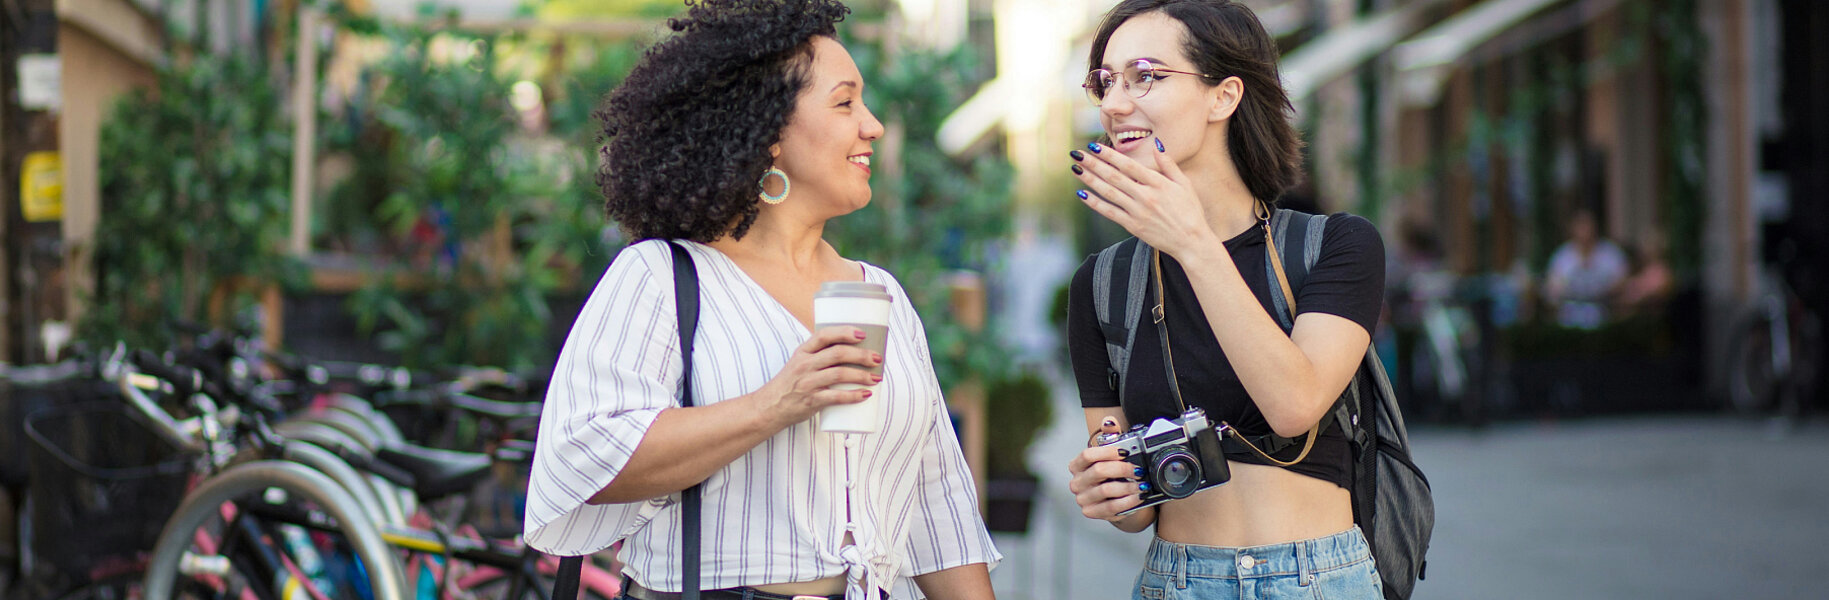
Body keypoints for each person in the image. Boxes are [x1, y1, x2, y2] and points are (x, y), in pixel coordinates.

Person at [521, 2, 999, 599]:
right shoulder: (663, 276)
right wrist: (776, 403)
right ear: (770, 130)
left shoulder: (882, 297)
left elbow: (938, 509)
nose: (872, 125)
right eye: (845, 102)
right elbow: (580, 458)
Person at [1061, 1, 1386, 598]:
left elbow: (1295, 403)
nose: (1113, 103)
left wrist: (1192, 241)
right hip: (1176, 578)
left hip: (1319, 578)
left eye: (1145, 76)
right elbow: (1135, 509)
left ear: (1223, 95)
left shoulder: (1336, 246)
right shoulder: (1103, 283)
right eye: (1104, 83)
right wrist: (1109, 488)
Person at [1543, 209, 1628, 329]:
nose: (1584, 231)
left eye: (1587, 225)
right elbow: (1552, 285)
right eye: (1580, 226)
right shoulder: (1562, 256)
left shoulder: (1610, 253)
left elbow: (1622, 280)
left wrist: (1602, 291)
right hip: (1570, 314)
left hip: (1605, 312)